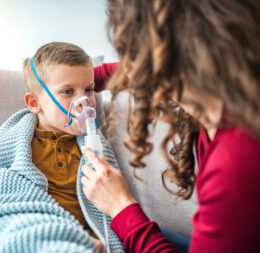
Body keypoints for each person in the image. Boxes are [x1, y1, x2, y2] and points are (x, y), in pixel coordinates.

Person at [82, 0, 260, 252]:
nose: (130, 66)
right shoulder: (226, 98)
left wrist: (120, 205)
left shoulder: (237, 159)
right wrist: (84, 82)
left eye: (133, 52)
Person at [0, 42, 125, 252]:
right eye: (68, 91)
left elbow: (114, 205)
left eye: (88, 90)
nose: (84, 101)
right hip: (26, 230)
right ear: (34, 103)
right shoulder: (13, 138)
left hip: (80, 237)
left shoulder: (96, 148)